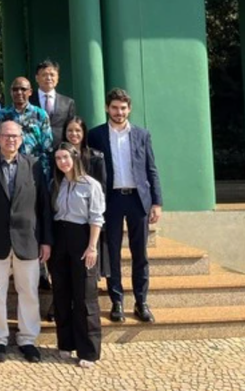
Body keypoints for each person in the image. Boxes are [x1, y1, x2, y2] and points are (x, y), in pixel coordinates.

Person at [0, 120, 52, 364]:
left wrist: (46, 241)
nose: (10, 140)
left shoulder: (34, 165)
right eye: (6, 136)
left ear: (21, 138)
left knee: (28, 292)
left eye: (15, 136)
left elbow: (44, 205)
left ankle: (27, 339)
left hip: (28, 240)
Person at [87, 88, 163, 324]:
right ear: (107, 108)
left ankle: (142, 301)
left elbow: (151, 168)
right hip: (111, 200)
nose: (119, 112)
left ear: (129, 109)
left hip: (138, 200)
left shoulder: (142, 134)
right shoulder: (96, 135)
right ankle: (117, 300)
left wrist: (157, 202)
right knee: (112, 253)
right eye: (114, 108)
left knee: (140, 253)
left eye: (123, 108)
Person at [50, 142, 105, 368]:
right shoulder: (58, 184)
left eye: (65, 157)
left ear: (75, 158)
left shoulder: (90, 185)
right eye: (58, 158)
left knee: (84, 297)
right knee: (62, 293)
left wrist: (92, 247)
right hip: (60, 238)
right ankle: (66, 343)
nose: (62, 162)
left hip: (82, 238)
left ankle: (88, 351)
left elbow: (96, 218)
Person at [63, 116, 110, 279]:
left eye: (77, 130)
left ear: (84, 133)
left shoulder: (96, 157)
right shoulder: (59, 155)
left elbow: (102, 187)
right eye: (70, 130)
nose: (73, 134)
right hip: (67, 219)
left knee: (88, 265)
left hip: (89, 217)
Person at [0, 76, 53, 181]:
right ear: (10, 92)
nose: (19, 92)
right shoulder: (2, 115)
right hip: (9, 167)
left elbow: (47, 146)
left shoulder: (40, 114)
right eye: (15, 89)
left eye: (23, 89)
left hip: (35, 167)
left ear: (30, 92)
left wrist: (44, 171)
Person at [30, 59, 76, 148]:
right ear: (37, 78)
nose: (49, 78)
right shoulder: (28, 101)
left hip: (59, 151)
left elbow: (71, 128)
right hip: (34, 151)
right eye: (44, 75)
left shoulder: (68, 103)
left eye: (52, 75)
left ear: (57, 78)